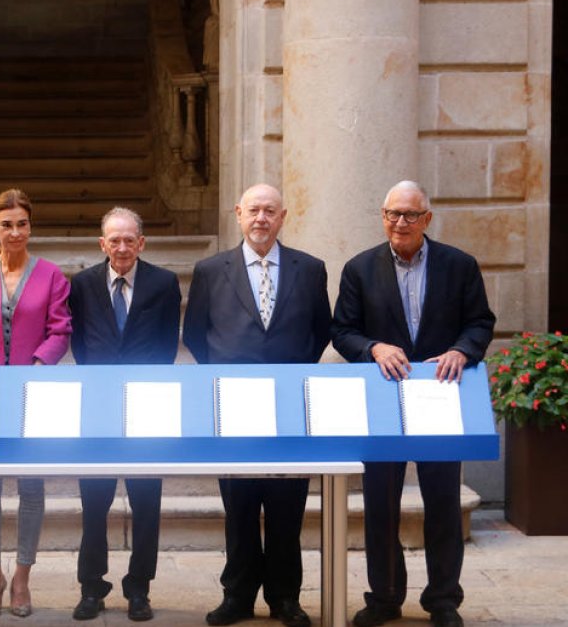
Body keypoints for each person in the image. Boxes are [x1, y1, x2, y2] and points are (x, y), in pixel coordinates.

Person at [332, 181, 495, 627]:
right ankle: (383, 598)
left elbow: (481, 322)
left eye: (409, 215)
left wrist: (462, 350)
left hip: (440, 398)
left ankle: (443, 601)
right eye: (391, 214)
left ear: (427, 218)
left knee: (442, 502)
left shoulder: (459, 265)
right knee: (379, 505)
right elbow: (343, 331)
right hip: (382, 401)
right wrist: (374, 349)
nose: (399, 223)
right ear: (383, 216)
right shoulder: (359, 268)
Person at [182, 184, 330, 627]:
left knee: (288, 505)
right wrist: (230, 378)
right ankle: (238, 596)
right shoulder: (211, 270)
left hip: (289, 403)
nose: (261, 218)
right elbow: (195, 334)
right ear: (238, 214)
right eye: (253, 211)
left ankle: (285, 598)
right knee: (240, 505)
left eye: (270, 211)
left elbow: (321, 330)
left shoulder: (311, 269)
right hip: (234, 403)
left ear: (283, 216)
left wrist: (291, 374)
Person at [0, 188, 72, 618]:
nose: (15, 231)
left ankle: (21, 577)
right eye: (6, 224)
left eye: (22, 223)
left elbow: (60, 329)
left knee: (31, 486)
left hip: (32, 393)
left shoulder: (52, 275)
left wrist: (38, 367)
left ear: (30, 226)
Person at [67, 207, 180, 622]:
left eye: (129, 240)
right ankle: (91, 587)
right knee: (93, 503)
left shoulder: (164, 283)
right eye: (113, 240)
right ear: (102, 244)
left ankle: (139, 589)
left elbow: (169, 345)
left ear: (142, 243)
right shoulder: (81, 285)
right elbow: (78, 343)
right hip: (96, 408)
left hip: (147, 408)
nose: (121, 247)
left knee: (146, 502)